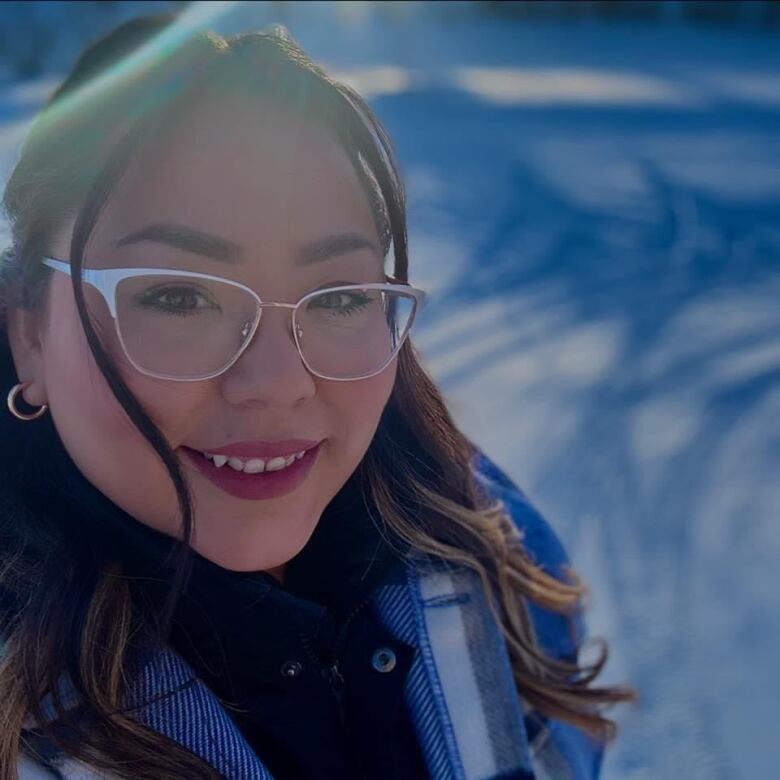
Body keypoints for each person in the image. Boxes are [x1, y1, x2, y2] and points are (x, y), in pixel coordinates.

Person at [0, 14, 634, 780]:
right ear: (29, 331)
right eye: (176, 298)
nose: (277, 385)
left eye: (337, 298)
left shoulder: (493, 550)